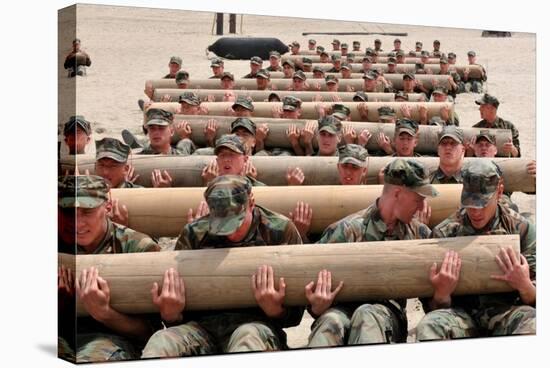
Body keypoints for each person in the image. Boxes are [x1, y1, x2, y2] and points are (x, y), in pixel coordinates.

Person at [141, 175, 304, 357]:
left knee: (248, 340)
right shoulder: (195, 233)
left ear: (251, 203)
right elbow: (178, 312)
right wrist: (172, 316)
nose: (231, 232)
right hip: (203, 328)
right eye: (221, 224)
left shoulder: (279, 231)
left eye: (236, 222)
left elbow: (296, 316)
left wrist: (276, 310)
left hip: (255, 325)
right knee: (162, 341)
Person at [307, 159, 438, 347]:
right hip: (341, 310)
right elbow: (311, 282)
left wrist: (441, 292)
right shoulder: (347, 230)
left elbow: (430, 301)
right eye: (418, 200)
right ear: (398, 193)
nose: (422, 207)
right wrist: (316, 306)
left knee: (367, 315)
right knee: (330, 322)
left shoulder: (419, 234)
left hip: (385, 315)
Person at [416, 160, 536, 341]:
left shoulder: (522, 229)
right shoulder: (444, 234)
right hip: (461, 318)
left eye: (482, 203)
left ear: (500, 192)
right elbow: (432, 308)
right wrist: (442, 295)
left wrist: (524, 285)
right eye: (469, 203)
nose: (475, 211)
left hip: (507, 314)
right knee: (429, 326)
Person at [58, 175, 160, 362]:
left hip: (111, 341)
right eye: (69, 211)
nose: (77, 223)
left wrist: (104, 313)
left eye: (87, 212)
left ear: (108, 207)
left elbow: (149, 333)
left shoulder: (139, 248)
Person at [200, 134, 265, 186]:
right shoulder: (210, 182)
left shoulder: (260, 188)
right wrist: (210, 184)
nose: (226, 159)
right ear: (217, 160)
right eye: (222, 155)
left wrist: (249, 182)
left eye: (232, 154)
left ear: (245, 159)